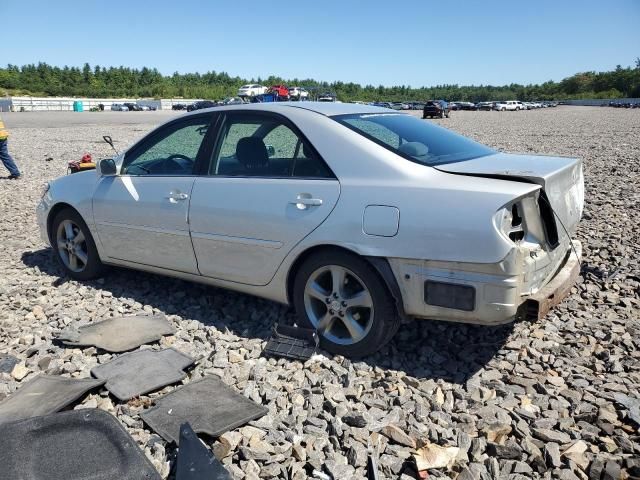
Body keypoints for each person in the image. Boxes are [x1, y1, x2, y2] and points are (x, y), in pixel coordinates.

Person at [0, 113, 21, 179]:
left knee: (4, 155)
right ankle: (15, 172)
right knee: (5, 156)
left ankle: (15, 172)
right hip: (3, 137)